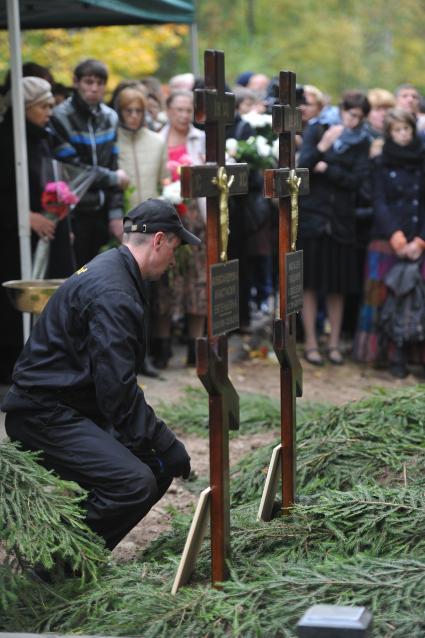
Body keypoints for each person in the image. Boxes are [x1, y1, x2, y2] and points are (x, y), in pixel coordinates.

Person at [2, 199, 200, 552]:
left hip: (71, 407)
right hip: (43, 415)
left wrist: (157, 446)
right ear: (157, 240)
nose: (175, 258)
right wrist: (166, 442)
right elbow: (118, 393)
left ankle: (73, 549)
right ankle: (60, 564)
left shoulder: (117, 270)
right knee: (133, 483)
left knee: (154, 466)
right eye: (175, 246)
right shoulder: (115, 292)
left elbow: (113, 388)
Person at [0, 77, 73, 383]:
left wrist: (61, 212)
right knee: (13, 312)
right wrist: (23, 216)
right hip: (14, 241)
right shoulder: (6, 139)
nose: (49, 112)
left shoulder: (44, 136)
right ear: (24, 108)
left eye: (50, 105)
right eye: (42, 106)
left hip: (47, 234)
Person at [297, 90, 371, 365]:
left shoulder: (362, 141)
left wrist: (328, 169)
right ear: (342, 110)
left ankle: (335, 343)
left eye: (359, 118)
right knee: (310, 284)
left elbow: (357, 181)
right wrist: (323, 147)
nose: (353, 122)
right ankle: (312, 343)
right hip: (313, 218)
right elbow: (303, 166)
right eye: (351, 115)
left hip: (341, 220)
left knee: (337, 285)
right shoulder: (318, 130)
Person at [353, 108, 425, 377]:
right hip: (387, 238)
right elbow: (379, 201)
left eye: (406, 129)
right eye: (397, 130)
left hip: (418, 236)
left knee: (417, 298)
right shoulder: (381, 162)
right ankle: (385, 355)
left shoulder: (422, 159)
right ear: (389, 133)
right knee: (381, 297)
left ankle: (415, 355)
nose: (403, 135)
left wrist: (420, 240)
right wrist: (395, 236)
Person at [50, 58, 129, 268]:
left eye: (99, 83)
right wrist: (113, 178)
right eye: (88, 82)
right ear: (76, 82)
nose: (94, 88)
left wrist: (115, 215)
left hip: (103, 213)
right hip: (73, 213)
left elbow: (114, 164)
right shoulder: (60, 117)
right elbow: (72, 169)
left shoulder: (110, 117)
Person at [156, 90, 207, 368]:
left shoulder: (201, 138)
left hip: (195, 215)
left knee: (197, 279)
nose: (184, 115)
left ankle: (194, 346)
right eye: (179, 109)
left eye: (189, 110)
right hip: (167, 214)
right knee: (167, 278)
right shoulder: (157, 139)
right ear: (168, 110)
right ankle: (162, 346)